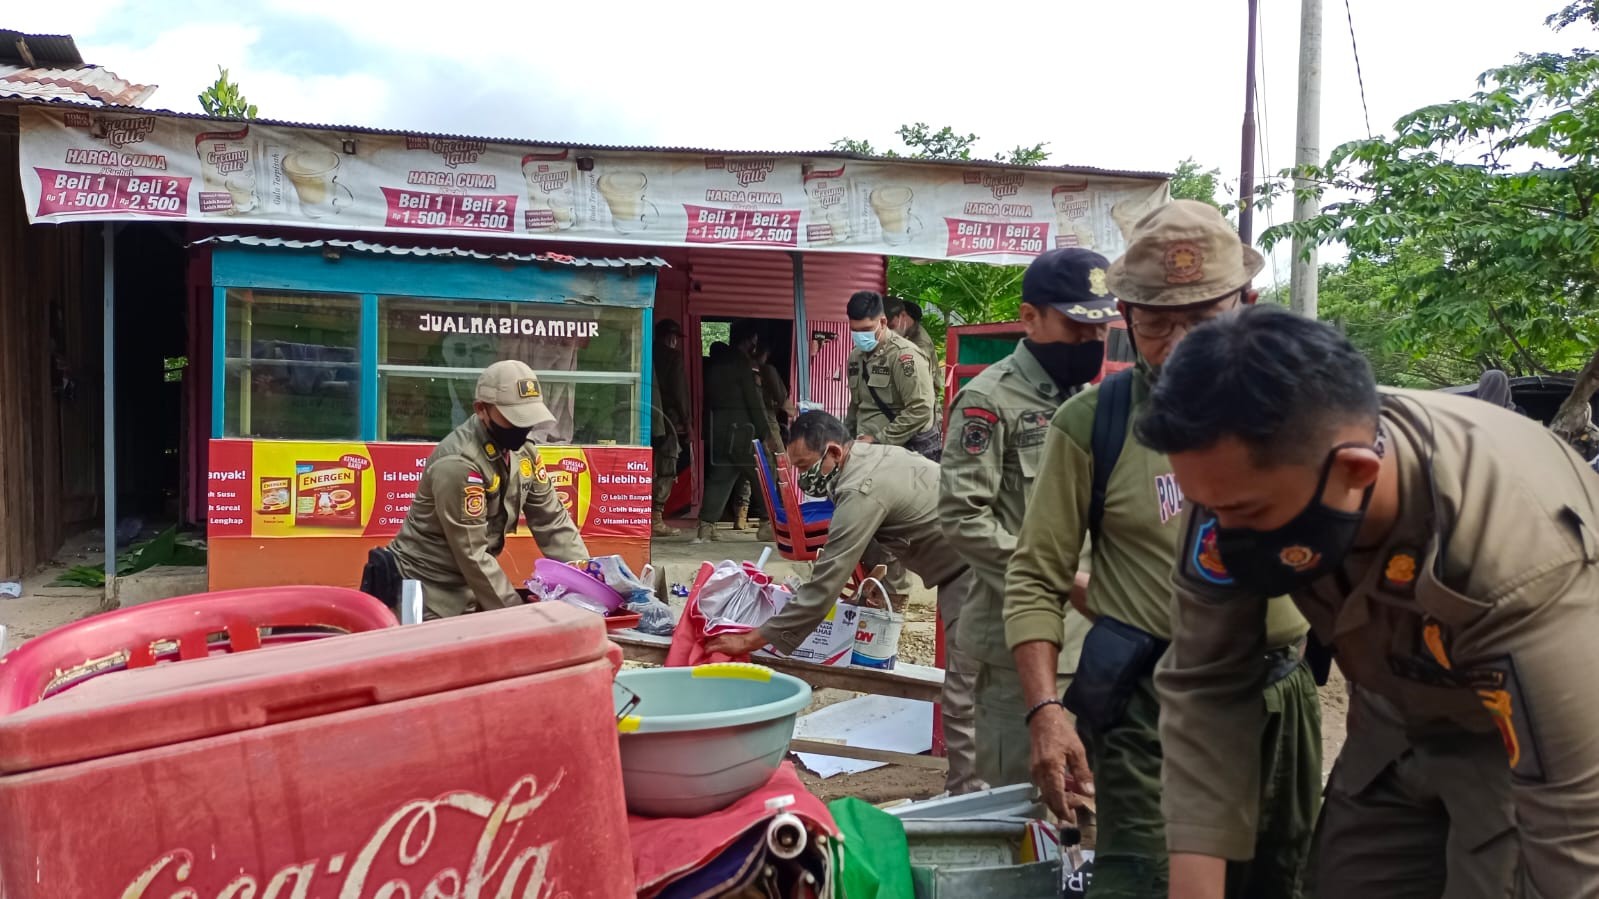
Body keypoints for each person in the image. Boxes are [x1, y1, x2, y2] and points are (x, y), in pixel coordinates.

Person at [1136, 302, 1599, 899]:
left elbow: (1573, 834)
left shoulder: (1521, 560)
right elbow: (1206, 683)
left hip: (1518, 739)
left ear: (1355, 471)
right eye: (1211, 508)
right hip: (1391, 719)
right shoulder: (1240, 475)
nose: (1222, 533)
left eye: (1242, 514)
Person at [1004, 202, 1320, 898]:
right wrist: (1044, 711)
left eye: (1201, 321)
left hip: (1277, 700)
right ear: (1123, 313)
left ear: (1247, 304)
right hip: (1149, 708)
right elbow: (1034, 573)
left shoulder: (1305, 414)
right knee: (1144, 880)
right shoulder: (1093, 423)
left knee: (1280, 879)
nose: (1177, 344)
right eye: (1154, 322)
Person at [705, 411, 981, 795]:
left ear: (833, 451)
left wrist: (752, 639)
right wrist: (874, 575)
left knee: (964, 691)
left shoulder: (859, 488)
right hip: (964, 563)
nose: (803, 477)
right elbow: (904, 520)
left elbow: (823, 586)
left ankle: (974, 800)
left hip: (979, 569)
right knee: (981, 683)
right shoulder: (867, 456)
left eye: (805, 466)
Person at [939, 248, 1115, 791]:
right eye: (1075, 326)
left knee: (1091, 802)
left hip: (1097, 642)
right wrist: (1059, 578)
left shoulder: (1092, 401)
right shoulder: (989, 401)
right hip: (1020, 644)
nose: (1090, 341)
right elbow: (964, 517)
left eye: (1100, 328)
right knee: (1027, 807)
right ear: (1031, 317)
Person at [369, 360, 588, 620]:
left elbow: (552, 520)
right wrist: (515, 616)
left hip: (472, 586)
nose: (522, 428)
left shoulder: (524, 451)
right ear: (482, 410)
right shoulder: (459, 463)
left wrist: (589, 581)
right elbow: (472, 554)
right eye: (513, 419)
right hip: (430, 593)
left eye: (528, 419)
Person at [698, 322, 776, 543]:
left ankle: (706, 527)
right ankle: (767, 525)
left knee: (721, 476)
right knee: (762, 475)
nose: (755, 345)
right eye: (753, 341)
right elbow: (754, 401)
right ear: (747, 341)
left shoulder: (713, 365)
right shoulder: (741, 364)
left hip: (719, 430)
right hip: (742, 431)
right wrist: (765, 432)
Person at [844, 291, 939, 461]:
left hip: (904, 452)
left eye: (866, 329)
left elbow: (921, 408)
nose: (860, 336)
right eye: (854, 330)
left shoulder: (904, 356)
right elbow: (856, 404)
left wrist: (880, 439)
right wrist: (844, 438)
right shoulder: (855, 357)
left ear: (882, 321)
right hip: (868, 451)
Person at [652, 319, 691, 538]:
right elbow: (679, 393)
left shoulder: (647, 352)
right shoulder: (672, 357)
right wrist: (687, 422)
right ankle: (656, 517)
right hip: (667, 420)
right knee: (667, 464)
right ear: (670, 337)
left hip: (645, 418)